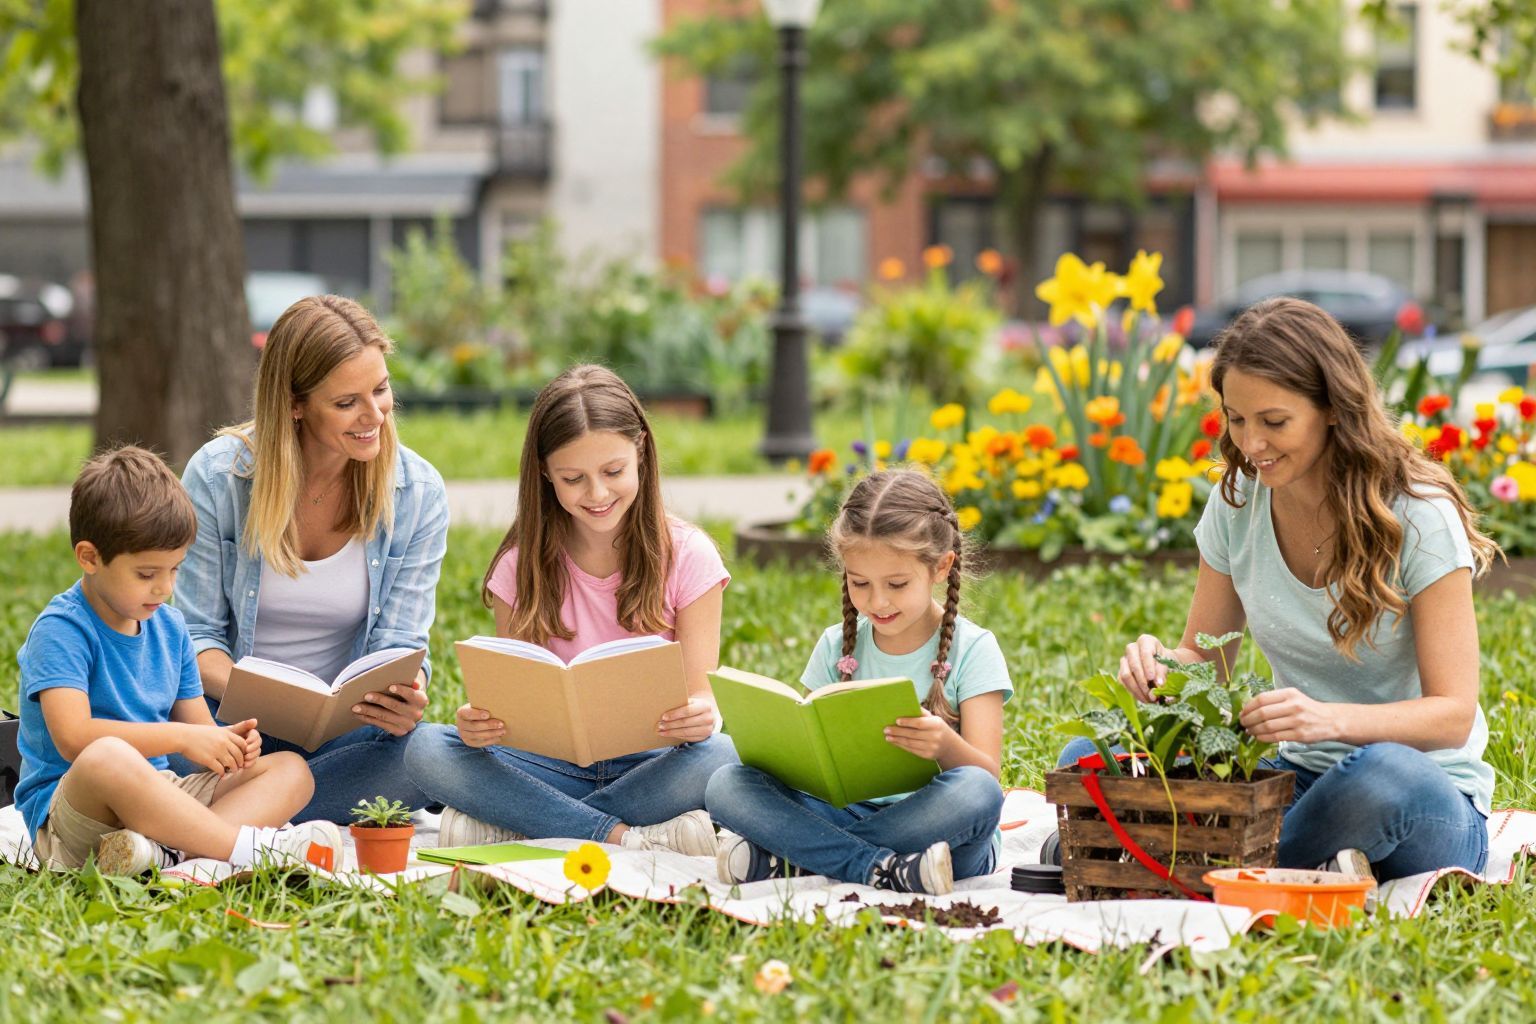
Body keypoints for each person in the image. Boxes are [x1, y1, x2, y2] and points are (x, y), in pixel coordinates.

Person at [1063, 297, 1499, 882]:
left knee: (1380, 777)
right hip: (1289, 779)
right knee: (1089, 756)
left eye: (1274, 422)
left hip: (1426, 796)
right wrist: (1161, 666)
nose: (1251, 445)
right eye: (1236, 420)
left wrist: (1328, 719)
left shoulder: (1417, 515)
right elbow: (1206, 661)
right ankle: (1296, 861)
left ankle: (1191, 859)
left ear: (1333, 410)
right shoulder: (1237, 503)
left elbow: (1452, 714)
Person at [404, 364, 737, 854]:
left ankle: (525, 821)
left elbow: (702, 698)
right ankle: (622, 836)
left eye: (613, 472)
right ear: (544, 472)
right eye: (573, 478)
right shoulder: (520, 567)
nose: (598, 494)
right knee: (427, 750)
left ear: (641, 450)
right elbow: (512, 706)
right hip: (548, 764)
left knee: (723, 756)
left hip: (652, 763)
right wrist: (481, 723)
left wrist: (703, 716)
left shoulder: (689, 556)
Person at [175, 295, 449, 822]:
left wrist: (407, 693)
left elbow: (400, 642)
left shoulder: (417, 492)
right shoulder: (218, 479)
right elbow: (194, 637)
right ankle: (263, 803)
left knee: (433, 753)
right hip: (231, 726)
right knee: (150, 731)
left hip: (342, 734)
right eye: (347, 402)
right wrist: (272, 700)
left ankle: (211, 813)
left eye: (382, 389)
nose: (375, 416)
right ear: (294, 404)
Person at [15, 446, 342, 875]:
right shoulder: (62, 629)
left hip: (160, 800)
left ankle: (167, 855)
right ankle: (246, 850)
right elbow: (75, 739)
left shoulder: (170, 629)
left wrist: (229, 747)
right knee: (106, 755)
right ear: (90, 558)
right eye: (147, 574)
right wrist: (182, 738)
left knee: (291, 770)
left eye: (175, 570)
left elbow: (201, 735)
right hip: (73, 814)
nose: (164, 588)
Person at [706, 470, 1011, 895]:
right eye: (859, 583)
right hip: (843, 813)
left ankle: (796, 858)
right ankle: (882, 868)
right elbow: (808, 748)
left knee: (975, 793)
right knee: (726, 784)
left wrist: (944, 745)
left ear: (941, 567)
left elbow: (988, 779)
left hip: (941, 830)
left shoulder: (973, 648)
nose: (877, 601)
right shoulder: (837, 644)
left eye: (897, 584)